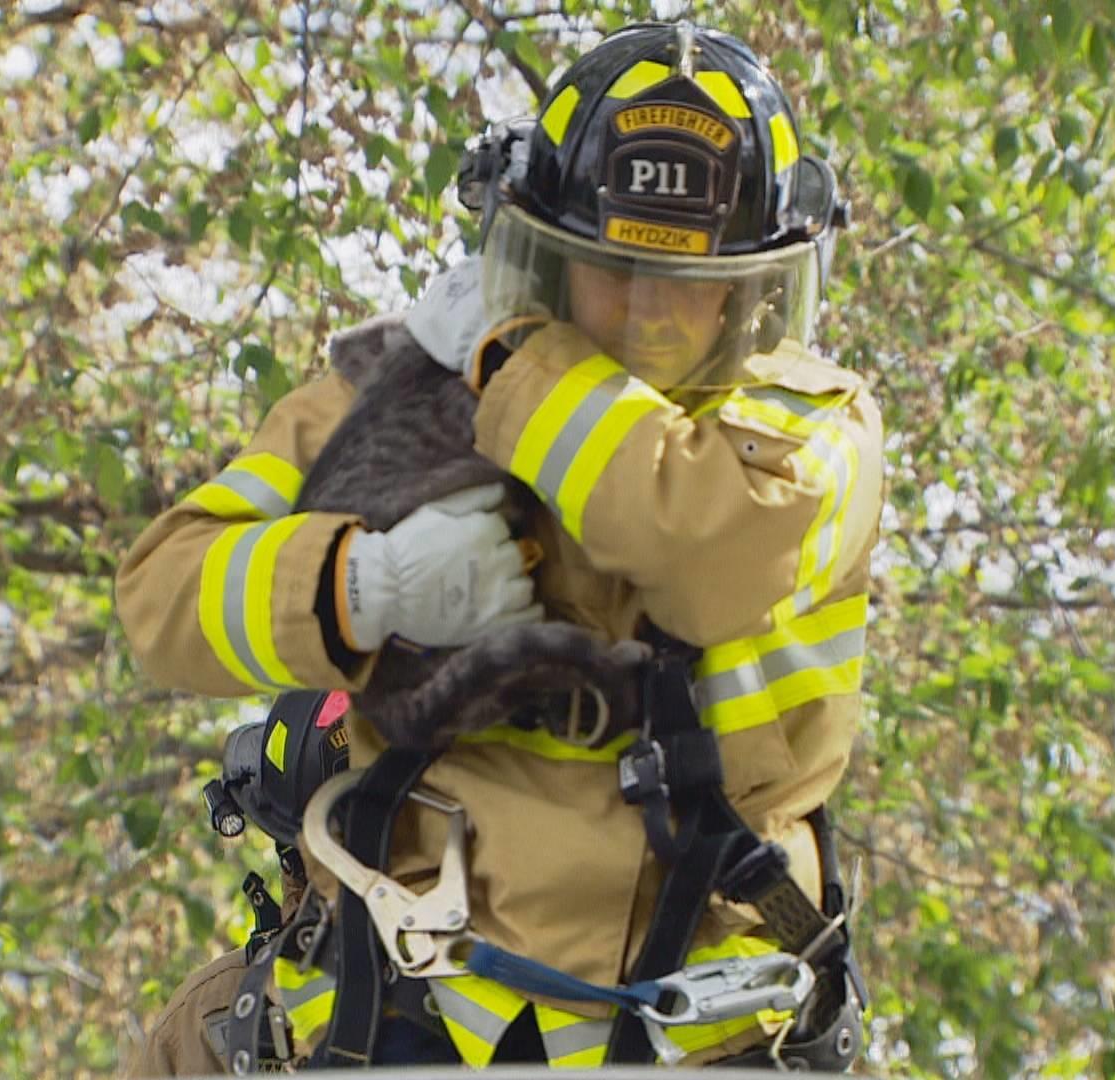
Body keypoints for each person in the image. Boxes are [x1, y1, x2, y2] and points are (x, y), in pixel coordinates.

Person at [116, 20, 883, 1071]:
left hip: (695, 1023)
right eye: (607, 274)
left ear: (756, 293)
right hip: (390, 992)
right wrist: (357, 587)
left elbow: (706, 555)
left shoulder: (806, 430)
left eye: (688, 285)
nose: (647, 314)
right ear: (538, 252)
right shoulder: (395, 395)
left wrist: (519, 360)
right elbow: (162, 602)